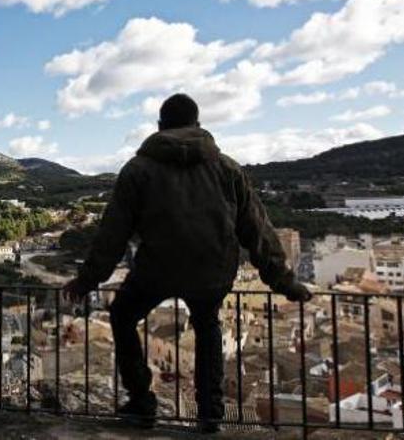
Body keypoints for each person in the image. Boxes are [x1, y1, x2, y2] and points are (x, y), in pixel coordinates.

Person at [62, 93, 311, 433]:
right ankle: (210, 412)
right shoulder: (226, 168)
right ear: (197, 124)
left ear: (160, 126)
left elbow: (112, 236)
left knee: (122, 315)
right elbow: (258, 231)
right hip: (212, 270)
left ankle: (141, 402)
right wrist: (283, 282)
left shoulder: (138, 170)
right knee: (207, 326)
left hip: (156, 270)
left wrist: (86, 281)